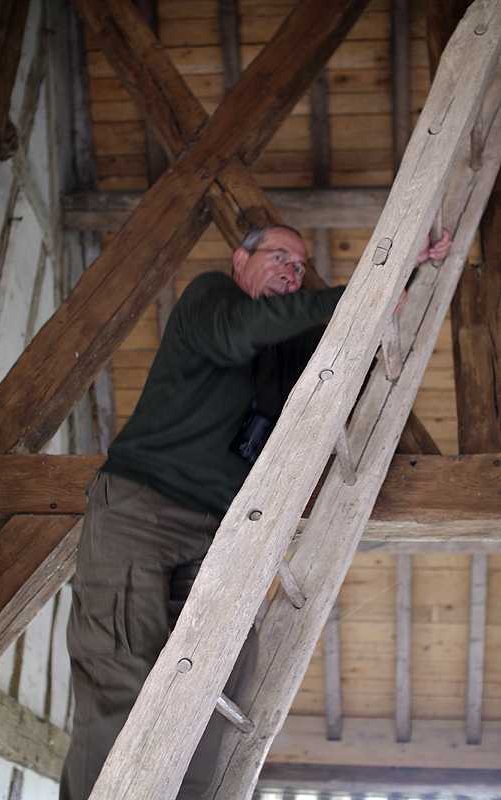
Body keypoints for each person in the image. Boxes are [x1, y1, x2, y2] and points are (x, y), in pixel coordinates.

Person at [59, 223, 452, 800]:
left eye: (298, 267)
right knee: (120, 673)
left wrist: (407, 276)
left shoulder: (287, 349)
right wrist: (363, 287)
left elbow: (349, 360)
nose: (291, 272)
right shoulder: (211, 299)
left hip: (220, 537)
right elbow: (242, 331)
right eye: (279, 257)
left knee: (215, 689)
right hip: (139, 514)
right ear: (240, 259)